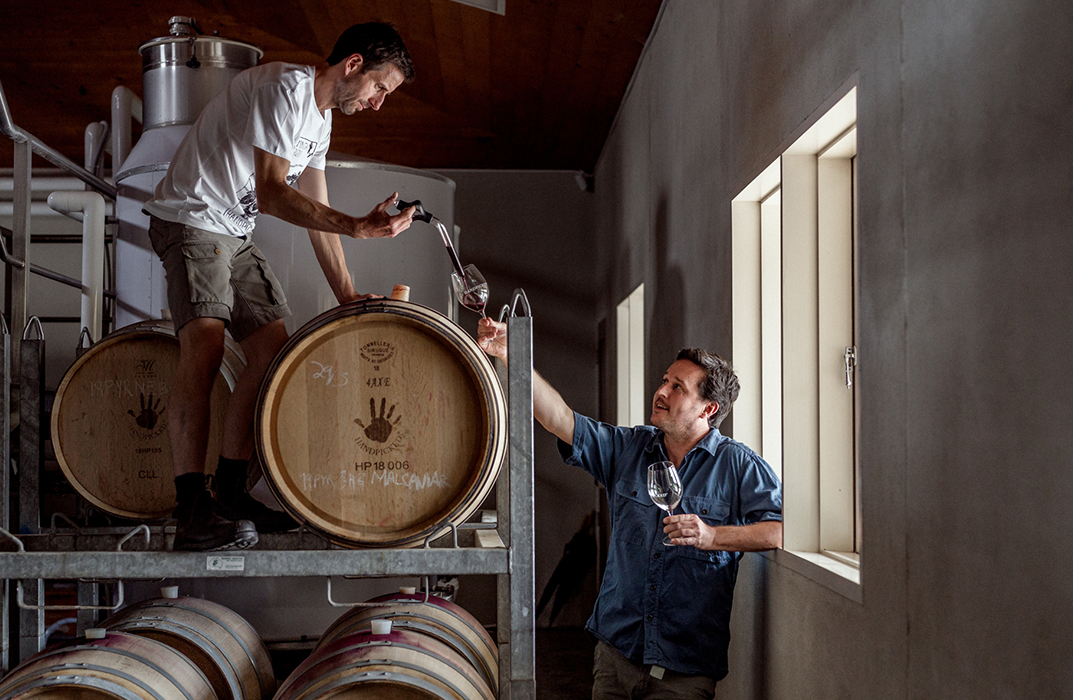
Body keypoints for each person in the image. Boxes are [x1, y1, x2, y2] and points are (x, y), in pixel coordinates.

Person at [143, 23, 417, 551]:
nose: (379, 104)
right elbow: (271, 194)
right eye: (380, 88)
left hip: (231, 230)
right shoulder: (284, 90)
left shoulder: (322, 122)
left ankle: (229, 491)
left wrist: (347, 292)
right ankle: (191, 508)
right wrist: (357, 226)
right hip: (193, 217)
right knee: (205, 345)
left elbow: (315, 215)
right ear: (354, 65)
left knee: (272, 352)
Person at [478, 317, 782, 698]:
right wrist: (511, 355)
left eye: (677, 387)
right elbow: (559, 419)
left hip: (684, 672)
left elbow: (780, 528)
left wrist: (713, 536)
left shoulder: (738, 466)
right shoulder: (630, 449)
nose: (661, 391)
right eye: (665, 380)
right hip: (615, 657)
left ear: (708, 409)